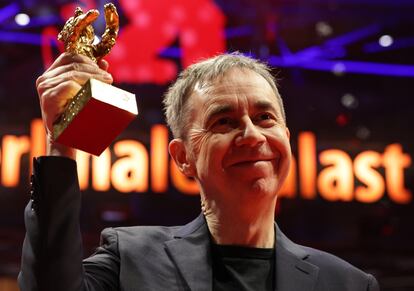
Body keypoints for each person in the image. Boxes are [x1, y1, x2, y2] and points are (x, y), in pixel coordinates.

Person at [19, 52, 379, 291]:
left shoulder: (348, 284)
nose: (252, 135)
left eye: (264, 118)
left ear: (285, 138)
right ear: (182, 158)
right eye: (224, 121)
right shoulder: (129, 258)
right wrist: (60, 141)